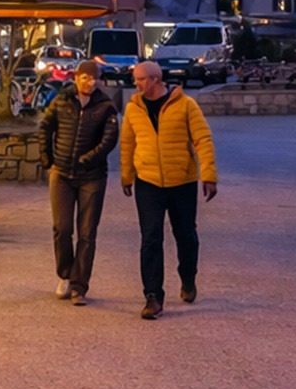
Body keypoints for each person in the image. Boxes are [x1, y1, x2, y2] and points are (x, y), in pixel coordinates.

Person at [120, 60, 218, 320]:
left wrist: (208, 175)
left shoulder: (186, 105)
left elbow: (203, 140)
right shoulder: (133, 108)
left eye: (141, 79)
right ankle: (152, 296)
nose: (136, 84)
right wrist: (127, 176)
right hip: (148, 182)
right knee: (150, 238)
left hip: (182, 182)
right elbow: (128, 143)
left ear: (155, 79)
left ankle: (188, 277)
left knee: (186, 236)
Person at [40, 62, 119, 306]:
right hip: (61, 174)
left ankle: (79, 285)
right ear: (76, 78)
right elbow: (45, 127)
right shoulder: (61, 101)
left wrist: (90, 158)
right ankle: (64, 274)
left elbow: (109, 139)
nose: (91, 82)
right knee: (62, 228)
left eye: (94, 78)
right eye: (86, 78)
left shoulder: (105, 106)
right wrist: (46, 155)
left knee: (87, 233)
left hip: (92, 176)